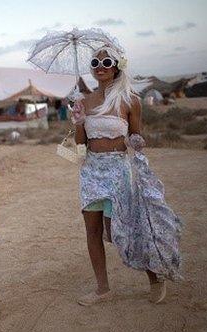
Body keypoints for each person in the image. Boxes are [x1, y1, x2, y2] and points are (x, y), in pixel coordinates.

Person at [71, 44, 182, 306]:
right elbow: (80, 145)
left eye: (106, 63)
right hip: (91, 171)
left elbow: (135, 134)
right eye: (95, 64)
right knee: (93, 231)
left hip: (119, 170)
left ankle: (154, 276)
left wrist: (137, 141)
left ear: (117, 66)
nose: (100, 68)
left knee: (122, 229)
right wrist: (77, 123)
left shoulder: (131, 100)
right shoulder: (83, 101)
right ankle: (102, 288)